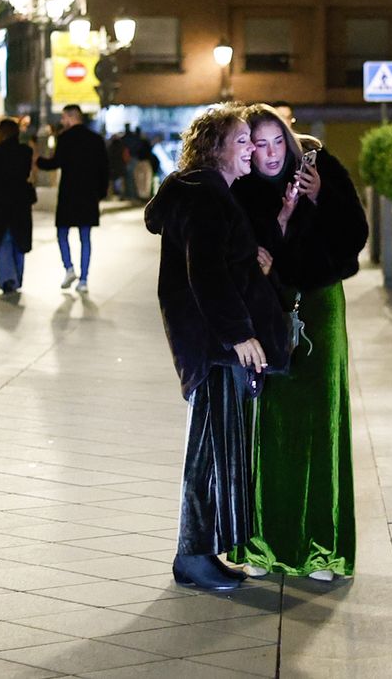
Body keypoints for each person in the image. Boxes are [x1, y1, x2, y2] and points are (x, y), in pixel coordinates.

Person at [143, 104, 291, 593]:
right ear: (217, 147)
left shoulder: (206, 191)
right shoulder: (205, 194)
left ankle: (205, 552)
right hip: (214, 348)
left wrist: (252, 261)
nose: (252, 148)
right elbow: (204, 273)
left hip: (212, 345)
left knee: (219, 449)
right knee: (208, 453)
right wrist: (238, 334)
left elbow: (219, 263)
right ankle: (192, 557)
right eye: (244, 140)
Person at [230, 104, 368, 582]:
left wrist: (321, 197)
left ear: (289, 139)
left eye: (276, 142)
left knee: (321, 419)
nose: (270, 154)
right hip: (270, 309)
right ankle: (265, 544)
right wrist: (282, 221)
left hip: (321, 305)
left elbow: (355, 235)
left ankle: (323, 549)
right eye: (259, 144)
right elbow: (241, 250)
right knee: (271, 422)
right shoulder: (244, 187)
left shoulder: (320, 167)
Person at [35, 104, 109, 294]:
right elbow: (104, 169)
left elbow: (55, 163)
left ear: (70, 117)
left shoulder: (65, 138)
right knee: (85, 237)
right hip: (89, 195)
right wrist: (100, 193)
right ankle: (83, 279)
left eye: (63, 118)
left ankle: (69, 268)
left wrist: (38, 161)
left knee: (62, 233)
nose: (61, 121)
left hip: (69, 193)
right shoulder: (96, 140)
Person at [0, 118, 34, 297]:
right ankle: (17, 277)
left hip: (0, 200)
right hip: (20, 201)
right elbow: (27, 172)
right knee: (18, 241)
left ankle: (7, 278)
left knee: (3, 240)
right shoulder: (25, 151)